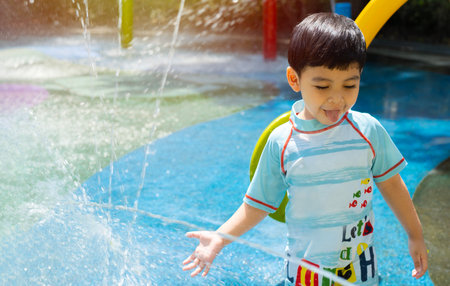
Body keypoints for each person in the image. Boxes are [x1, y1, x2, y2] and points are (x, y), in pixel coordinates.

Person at [182, 12, 428, 285]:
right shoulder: (283, 142)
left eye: (350, 84)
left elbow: (392, 185)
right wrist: (220, 237)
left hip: (359, 269)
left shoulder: (367, 131)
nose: (337, 98)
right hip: (304, 272)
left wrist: (415, 234)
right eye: (322, 85)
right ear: (295, 79)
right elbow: (257, 205)